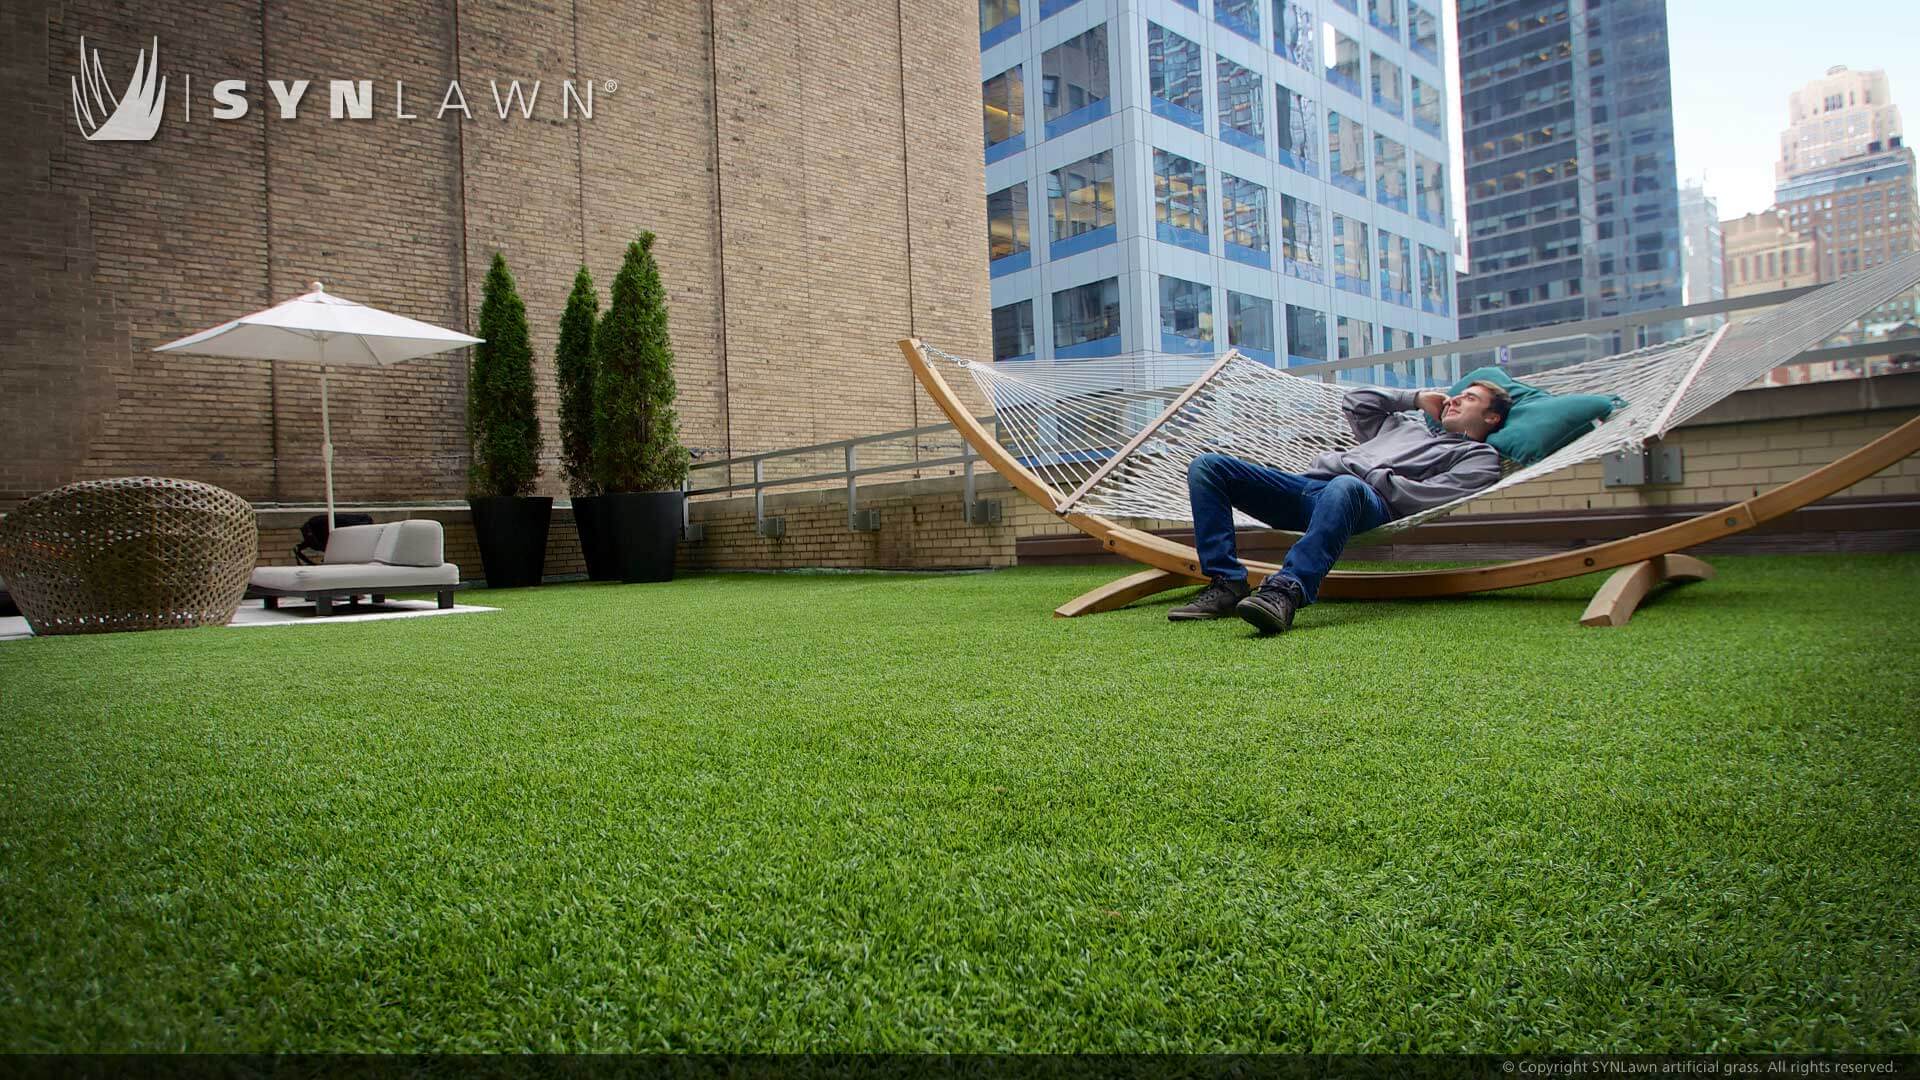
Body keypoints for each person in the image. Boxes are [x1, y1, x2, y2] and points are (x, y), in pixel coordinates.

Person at [1168, 381, 1512, 633]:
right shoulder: (1402, 425)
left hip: (1369, 503)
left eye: (1470, 398)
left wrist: (1372, 477)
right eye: (1458, 393)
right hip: (1308, 488)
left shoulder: (1478, 457)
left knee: (1345, 485)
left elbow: (1433, 496)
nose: (1456, 399)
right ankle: (1227, 583)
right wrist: (1416, 398)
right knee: (1209, 466)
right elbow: (1355, 401)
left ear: (1492, 417)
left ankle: (1285, 591)